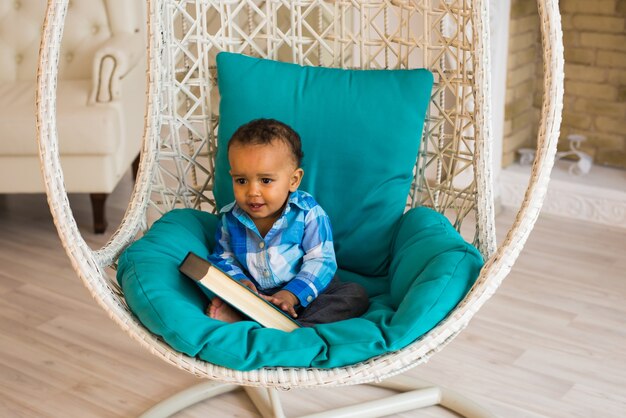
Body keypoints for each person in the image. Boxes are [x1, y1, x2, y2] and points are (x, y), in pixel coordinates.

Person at [207, 118, 369, 327]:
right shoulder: (230, 219)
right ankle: (261, 318)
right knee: (218, 290)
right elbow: (223, 257)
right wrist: (240, 284)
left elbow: (322, 261)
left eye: (265, 180)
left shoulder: (308, 213)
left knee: (355, 295)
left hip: (309, 292)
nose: (252, 191)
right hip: (260, 296)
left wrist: (291, 295)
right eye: (241, 180)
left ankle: (294, 327)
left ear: (293, 180)